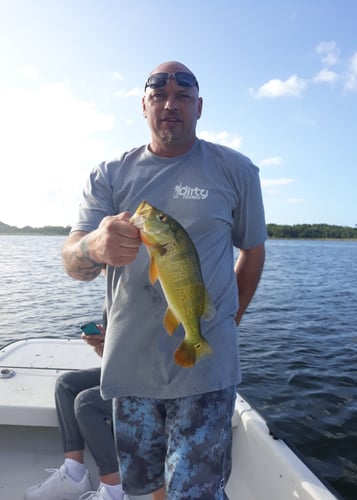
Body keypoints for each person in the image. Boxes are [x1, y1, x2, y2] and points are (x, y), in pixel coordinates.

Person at [62, 60, 267, 499]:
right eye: (159, 96)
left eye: (183, 96)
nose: (170, 104)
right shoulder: (109, 175)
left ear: (199, 107)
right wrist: (94, 247)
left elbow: (252, 251)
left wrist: (228, 322)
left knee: (194, 493)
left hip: (207, 373)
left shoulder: (236, 170)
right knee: (148, 489)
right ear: (143, 106)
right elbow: (72, 261)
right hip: (131, 369)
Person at [24, 324, 127, 500]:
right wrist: (104, 343)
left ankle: (114, 492)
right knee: (66, 385)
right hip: (126, 371)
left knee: (87, 403)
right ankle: (74, 475)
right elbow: (120, 353)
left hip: (154, 380)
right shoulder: (115, 296)